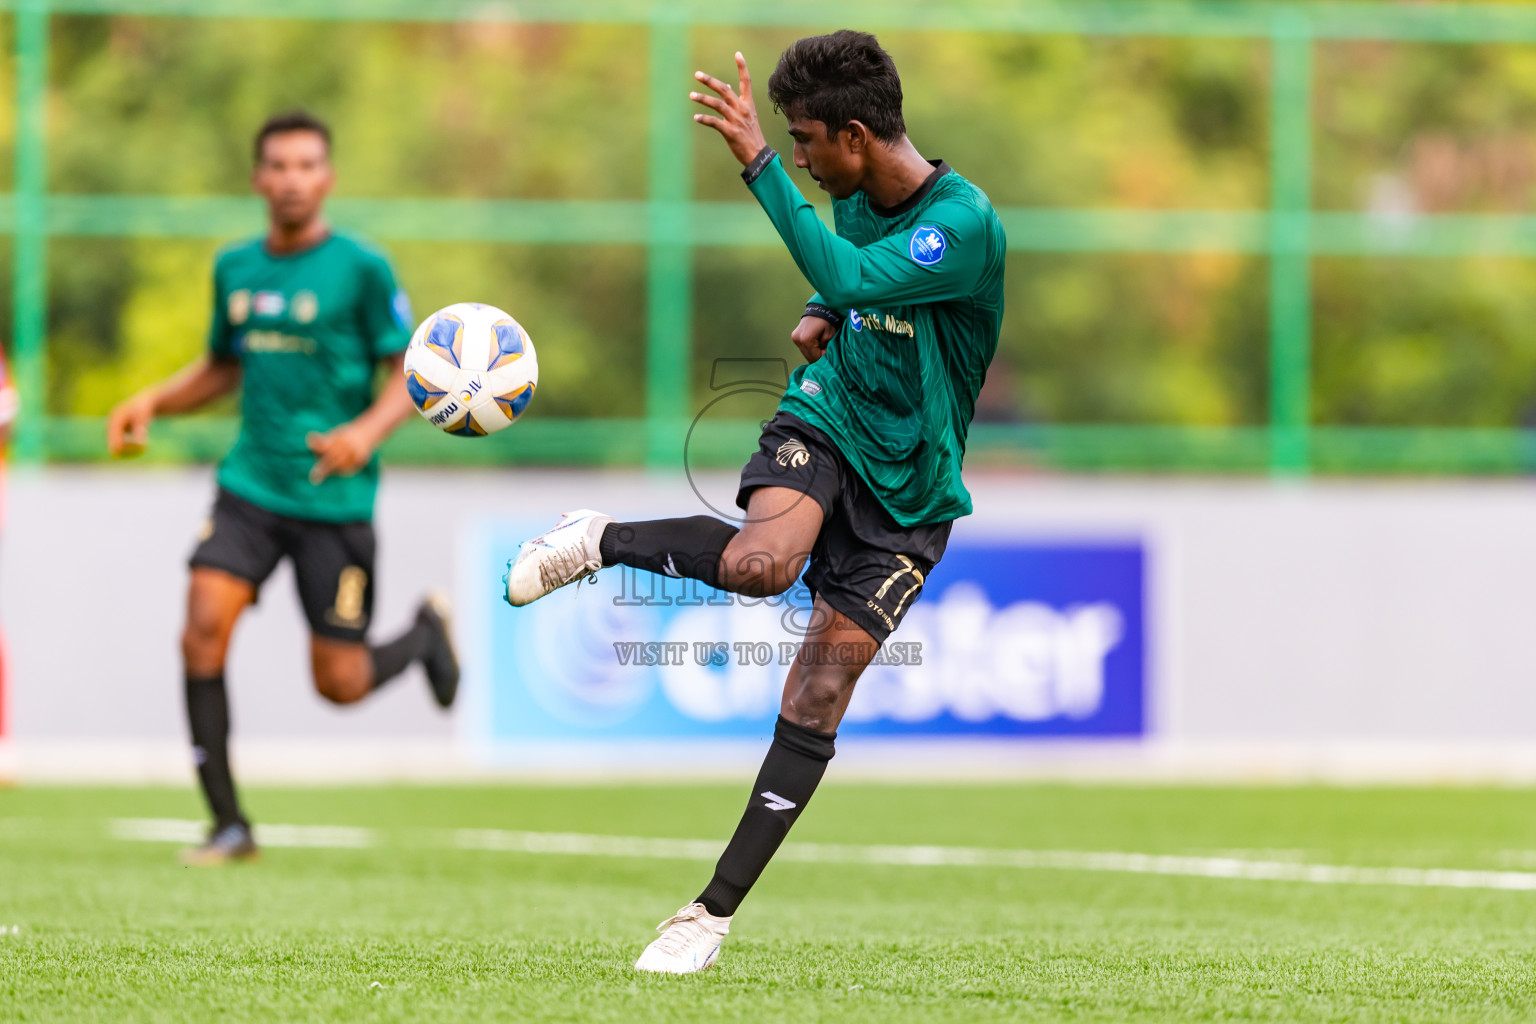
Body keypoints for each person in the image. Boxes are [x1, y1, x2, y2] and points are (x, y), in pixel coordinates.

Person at [501, 31, 1005, 972]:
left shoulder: (963, 222)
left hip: (915, 488)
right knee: (758, 564)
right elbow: (851, 278)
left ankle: (707, 916)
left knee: (820, 691)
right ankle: (600, 540)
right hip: (831, 415)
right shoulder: (856, 196)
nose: (803, 159)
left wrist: (760, 170)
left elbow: (868, 272)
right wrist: (828, 309)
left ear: (855, 136)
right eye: (791, 144)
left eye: (808, 141)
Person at [106, 110, 459, 866]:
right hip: (249, 485)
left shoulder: (362, 268)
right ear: (258, 178)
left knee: (341, 684)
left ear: (326, 177)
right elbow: (224, 366)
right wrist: (152, 402)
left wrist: (365, 432)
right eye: (279, 166)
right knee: (202, 627)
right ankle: (229, 825)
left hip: (335, 499)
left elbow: (411, 371)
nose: (292, 179)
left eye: (307, 165)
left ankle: (424, 635)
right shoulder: (234, 267)